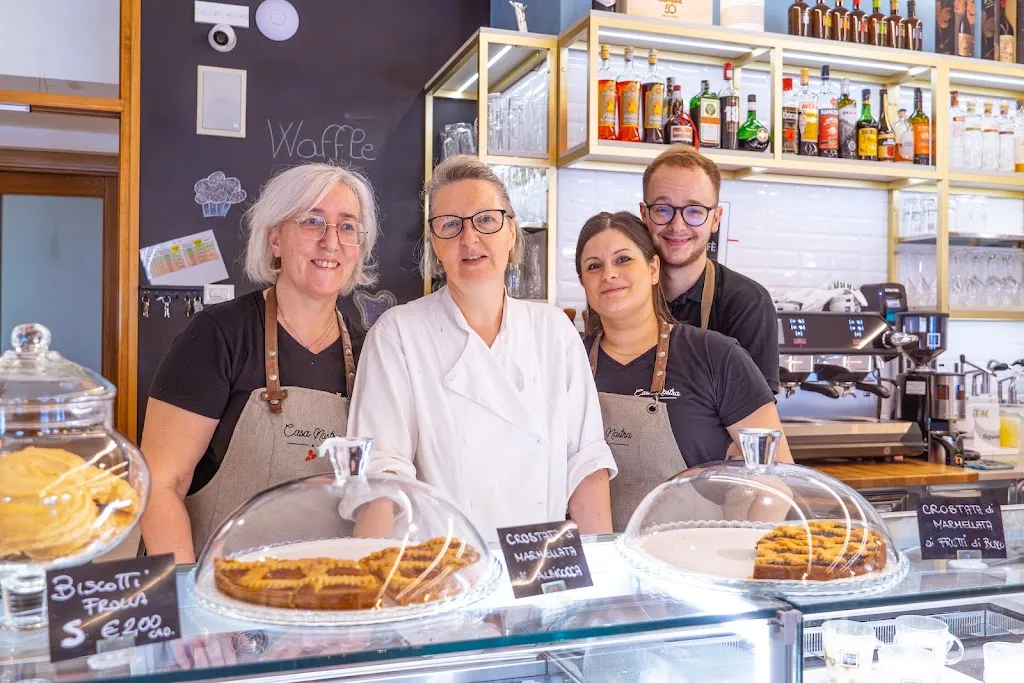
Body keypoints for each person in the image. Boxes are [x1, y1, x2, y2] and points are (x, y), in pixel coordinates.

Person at [348, 155, 615, 539]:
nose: (469, 239)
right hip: (443, 570)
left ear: (511, 233)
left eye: (486, 220)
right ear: (435, 245)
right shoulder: (399, 334)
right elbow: (380, 475)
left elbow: (586, 466)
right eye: (450, 225)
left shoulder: (554, 330)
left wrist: (600, 583)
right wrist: (370, 584)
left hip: (540, 569)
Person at [140, 162, 379, 562]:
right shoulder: (218, 335)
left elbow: (375, 493)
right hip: (215, 589)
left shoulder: (370, 351)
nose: (331, 241)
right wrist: (186, 602)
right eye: (312, 221)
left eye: (347, 226)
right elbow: (160, 483)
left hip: (320, 590)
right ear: (275, 240)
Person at [576, 211, 793, 531]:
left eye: (623, 259)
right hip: (600, 563)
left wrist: (742, 555)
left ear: (653, 269)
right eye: (594, 266)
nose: (609, 273)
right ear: (584, 282)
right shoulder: (567, 358)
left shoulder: (716, 356)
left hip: (695, 565)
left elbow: (778, 481)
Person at [640, 144, 780, 394]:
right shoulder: (625, 296)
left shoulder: (746, 303)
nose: (677, 225)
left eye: (694, 211)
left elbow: (758, 423)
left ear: (716, 219)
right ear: (644, 214)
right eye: (663, 209)